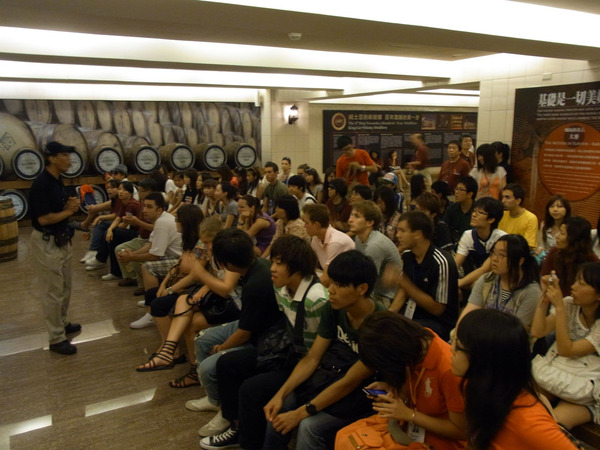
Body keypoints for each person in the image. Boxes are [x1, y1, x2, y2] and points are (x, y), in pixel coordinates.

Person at [200, 235, 329, 449]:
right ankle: (235, 425)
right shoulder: (281, 287)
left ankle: (249, 442)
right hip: (286, 350)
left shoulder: (316, 299)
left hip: (306, 362)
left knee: (251, 389)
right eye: (273, 261)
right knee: (227, 363)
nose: (272, 268)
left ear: (297, 267)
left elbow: (317, 352)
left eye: (279, 263)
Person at [263, 250, 384, 450]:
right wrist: (280, 394)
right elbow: (312, 358)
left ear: (362, 289)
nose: (331, 290)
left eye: (340, 285)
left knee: (310, 427)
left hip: (364, 392)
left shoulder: (380, 325)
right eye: (331, 282)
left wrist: (301, 413)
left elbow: (351, 381)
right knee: (280, 404)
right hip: (333, 375)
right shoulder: (334, 307)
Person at [188, 229, 281, 438]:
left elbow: (245, 333)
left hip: (262, 336)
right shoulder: (256, 266)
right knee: (203, 340)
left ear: (227, 264)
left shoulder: (256, 284)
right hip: (250, 323)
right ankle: (214, 399)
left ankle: (226, 413)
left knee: (210, 366)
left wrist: (222, 348)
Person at [336, 311, 467, 450]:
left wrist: (409, 415)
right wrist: (393, 389)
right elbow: (414, 392)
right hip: (407, 427)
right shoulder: (413, 345)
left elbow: (461, 431)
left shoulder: (449, 369)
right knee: (344, 437)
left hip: (437, 440)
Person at [454, 309, 577, 449]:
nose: (452, 350)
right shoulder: (478, 389)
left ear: (484, 358)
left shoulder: (527, 421)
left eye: (458, 346)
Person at [531, 262, 600, 430]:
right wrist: (544, 300)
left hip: (588, 390)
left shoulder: (566, 306)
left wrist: (560, 308)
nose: (573, 286)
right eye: (575, 280)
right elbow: (538, 331)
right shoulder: (570, 304)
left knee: (552, 425)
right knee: (523, 408)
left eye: (581, 283)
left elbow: (566, 350)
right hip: (558, 376)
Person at [29, 141, 81, 355]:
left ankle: (62, 322)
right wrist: (69, 211)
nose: (69, 160)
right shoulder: (41, 184)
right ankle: (56, 338)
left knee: (65, 287)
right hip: (47, 242)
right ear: (52, 158)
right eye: (64, 155)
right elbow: (43, 219)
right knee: (53, 292)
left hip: (60, 240)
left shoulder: (58, 180)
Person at [130, 204, 204, 331]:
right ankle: (153, 318)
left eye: (177, 220)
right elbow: (177, 265)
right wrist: (164, 285)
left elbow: (194, 276)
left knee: (158, 303)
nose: (175, 223)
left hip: (194, 287)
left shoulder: (201, 244)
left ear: (185, 222)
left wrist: (170, 290)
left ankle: (170, 339)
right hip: (183, 282)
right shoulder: (187, 241)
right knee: (152, 293)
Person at [388, 211, 459, 340]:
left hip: (437, 323)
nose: (397, 235)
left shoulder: (441, 262)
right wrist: (389, 314)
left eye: (402, 231)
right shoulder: (408, 256)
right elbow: (404, 291)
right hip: (412, 315)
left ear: (418, 234)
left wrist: (403, 282)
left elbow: (437, 309)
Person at [457, 234, 540, 329]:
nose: (495, 259)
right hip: (481, 334)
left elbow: (517, 332)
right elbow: (467, 315)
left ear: (520, 261)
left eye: (501, 255)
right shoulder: (486, 280)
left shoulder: (531, 292)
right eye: (493, 253)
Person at [116, 192, 182, 300]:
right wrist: (131, 254)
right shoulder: (161, 219)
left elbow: (155, 256)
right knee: (137, 259)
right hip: (172, 257)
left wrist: (131, 257)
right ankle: (146, 292)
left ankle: (152, 302)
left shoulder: (162, 222)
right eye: (144, 206)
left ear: (159, 210)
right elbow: (151, 245)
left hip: (178, 260)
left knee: (148, 267)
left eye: (149, 207)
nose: (144, 210)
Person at [348, 201, 402, 307]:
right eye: (351, 215)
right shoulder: (359, 238)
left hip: (385, 297)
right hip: (374, 291)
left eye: (356, 216)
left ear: (369, 223)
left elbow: (365, 279)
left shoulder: (374, 246)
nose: (350, 220)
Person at [85, 181, 141, 274]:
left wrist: (111, 230)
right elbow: (118, 217)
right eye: (120, 189)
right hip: (128, 230)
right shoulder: (124, 202)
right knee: (108, 230)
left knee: (113, 234)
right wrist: (110, 229)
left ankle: (106, 264)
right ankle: (99, 257)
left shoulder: (131, 204)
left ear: (130, 193)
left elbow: (124, 225)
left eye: (124, 190)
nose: (121, 192)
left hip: (136, 233)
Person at [455, 197, 506, 290]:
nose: (474, 215)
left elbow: (484, 269)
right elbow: (455, 264)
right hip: (471, 277)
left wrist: (459, 283)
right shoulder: (468, 235)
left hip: (495, 280)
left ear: (491, 219)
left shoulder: (501, 238)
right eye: (474, 211)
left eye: (480, 212)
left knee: (477, 285)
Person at [541, 216, 599, 296]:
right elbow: (544, 277)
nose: (557, 236)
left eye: (562, 233)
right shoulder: (555, 252)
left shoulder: (591, 261)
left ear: (574, 238)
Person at [302, 203, 355, 287]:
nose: (304, 226)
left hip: (347, 284)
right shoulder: (316, 238)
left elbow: (326, 279)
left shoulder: (335, 242)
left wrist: (302, 287)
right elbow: (310, 264)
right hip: (335, 281)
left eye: (306, 223)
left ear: (316, 225)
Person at [79, 179, 121, 264]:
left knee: (102, 226)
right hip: (117, 221)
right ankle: (95, 253)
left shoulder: (120, 198)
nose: (109, 190)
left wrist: (100, 217)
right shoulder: (114, 199)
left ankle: (96, 254)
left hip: (122, 223)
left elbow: (117, 215)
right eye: (108, 188)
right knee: (100, 225)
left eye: (112, 188)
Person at [498, 183, 538, 249]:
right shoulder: (502, 215)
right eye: (503, 197)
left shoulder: (531, 218)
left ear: (518, 201)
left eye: (507, 197)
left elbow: (529, 246)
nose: (503, 201)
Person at [443, 176, 477, 244]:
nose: (456, 192)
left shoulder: (478, 211)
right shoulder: (451, 209)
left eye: (461, 190)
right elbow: (445, 230)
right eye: (456, 189)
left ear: (470, 194)